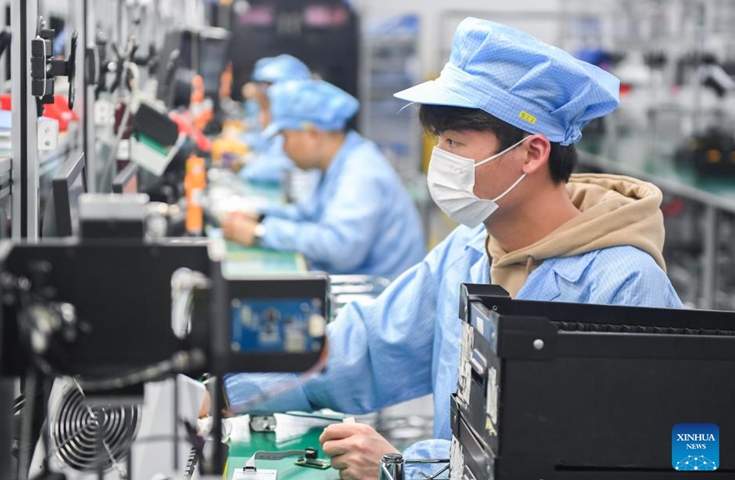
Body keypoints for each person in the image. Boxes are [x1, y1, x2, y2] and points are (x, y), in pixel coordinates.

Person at [225, 17, 683, 479]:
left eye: (454, 142)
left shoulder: (623, 282)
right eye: (439, 141)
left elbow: (599, 458)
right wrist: (228, 389)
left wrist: (408, 468)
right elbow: (365, 348)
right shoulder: (469, 250)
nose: (440, 160)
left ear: (532, 153)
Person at [222, 79, 426, 279]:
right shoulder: (336, 162)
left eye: (285, 137)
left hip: (378, 296)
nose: (283, 148)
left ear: (313, 134)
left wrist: (261, 233)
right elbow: (309, 212)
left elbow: (341, 249)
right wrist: (260, 215)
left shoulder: (360, 172)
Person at [239, 54, 313, 184]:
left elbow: (283, 167)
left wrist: (247, 166)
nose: (264, 92)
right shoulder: (276, 117)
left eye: (269, 86)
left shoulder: (302, 124)